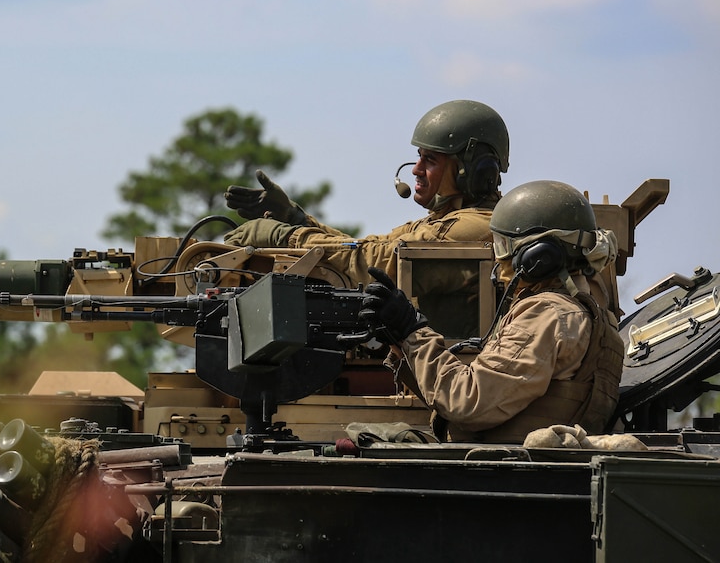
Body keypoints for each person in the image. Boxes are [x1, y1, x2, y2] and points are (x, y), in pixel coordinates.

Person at [359, 180, 624, 443]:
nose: (499, 260)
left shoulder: (548, 315)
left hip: (507, 472)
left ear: (538, 256)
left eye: (504, 245)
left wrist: (413, 332)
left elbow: (467, 402)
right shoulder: (581, 313)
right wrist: (401, 341)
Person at [223, 99, 510, 287]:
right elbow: (359, 247)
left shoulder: (478, 226)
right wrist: (295, 218)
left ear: (472, 172)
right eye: (419, 157)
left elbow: (375, 262)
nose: (416, 170)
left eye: (431, 160)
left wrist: (284, 236)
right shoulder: (439, 221)